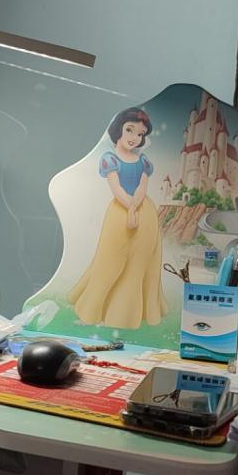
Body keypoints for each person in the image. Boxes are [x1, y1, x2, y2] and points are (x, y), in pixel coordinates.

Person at [67, 108, 167, 329]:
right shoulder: (110, 159)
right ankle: (92, 308)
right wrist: (130, 210)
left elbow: (142, 187)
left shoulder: (143, 161)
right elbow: (116, 188)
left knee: (139, 264)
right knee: (110, 261)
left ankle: (125, 314)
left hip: (145, 213)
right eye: (129, 130)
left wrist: (135, 209)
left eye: (140, 134)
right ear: (118, 130)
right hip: (119, 214)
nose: (134, 137)